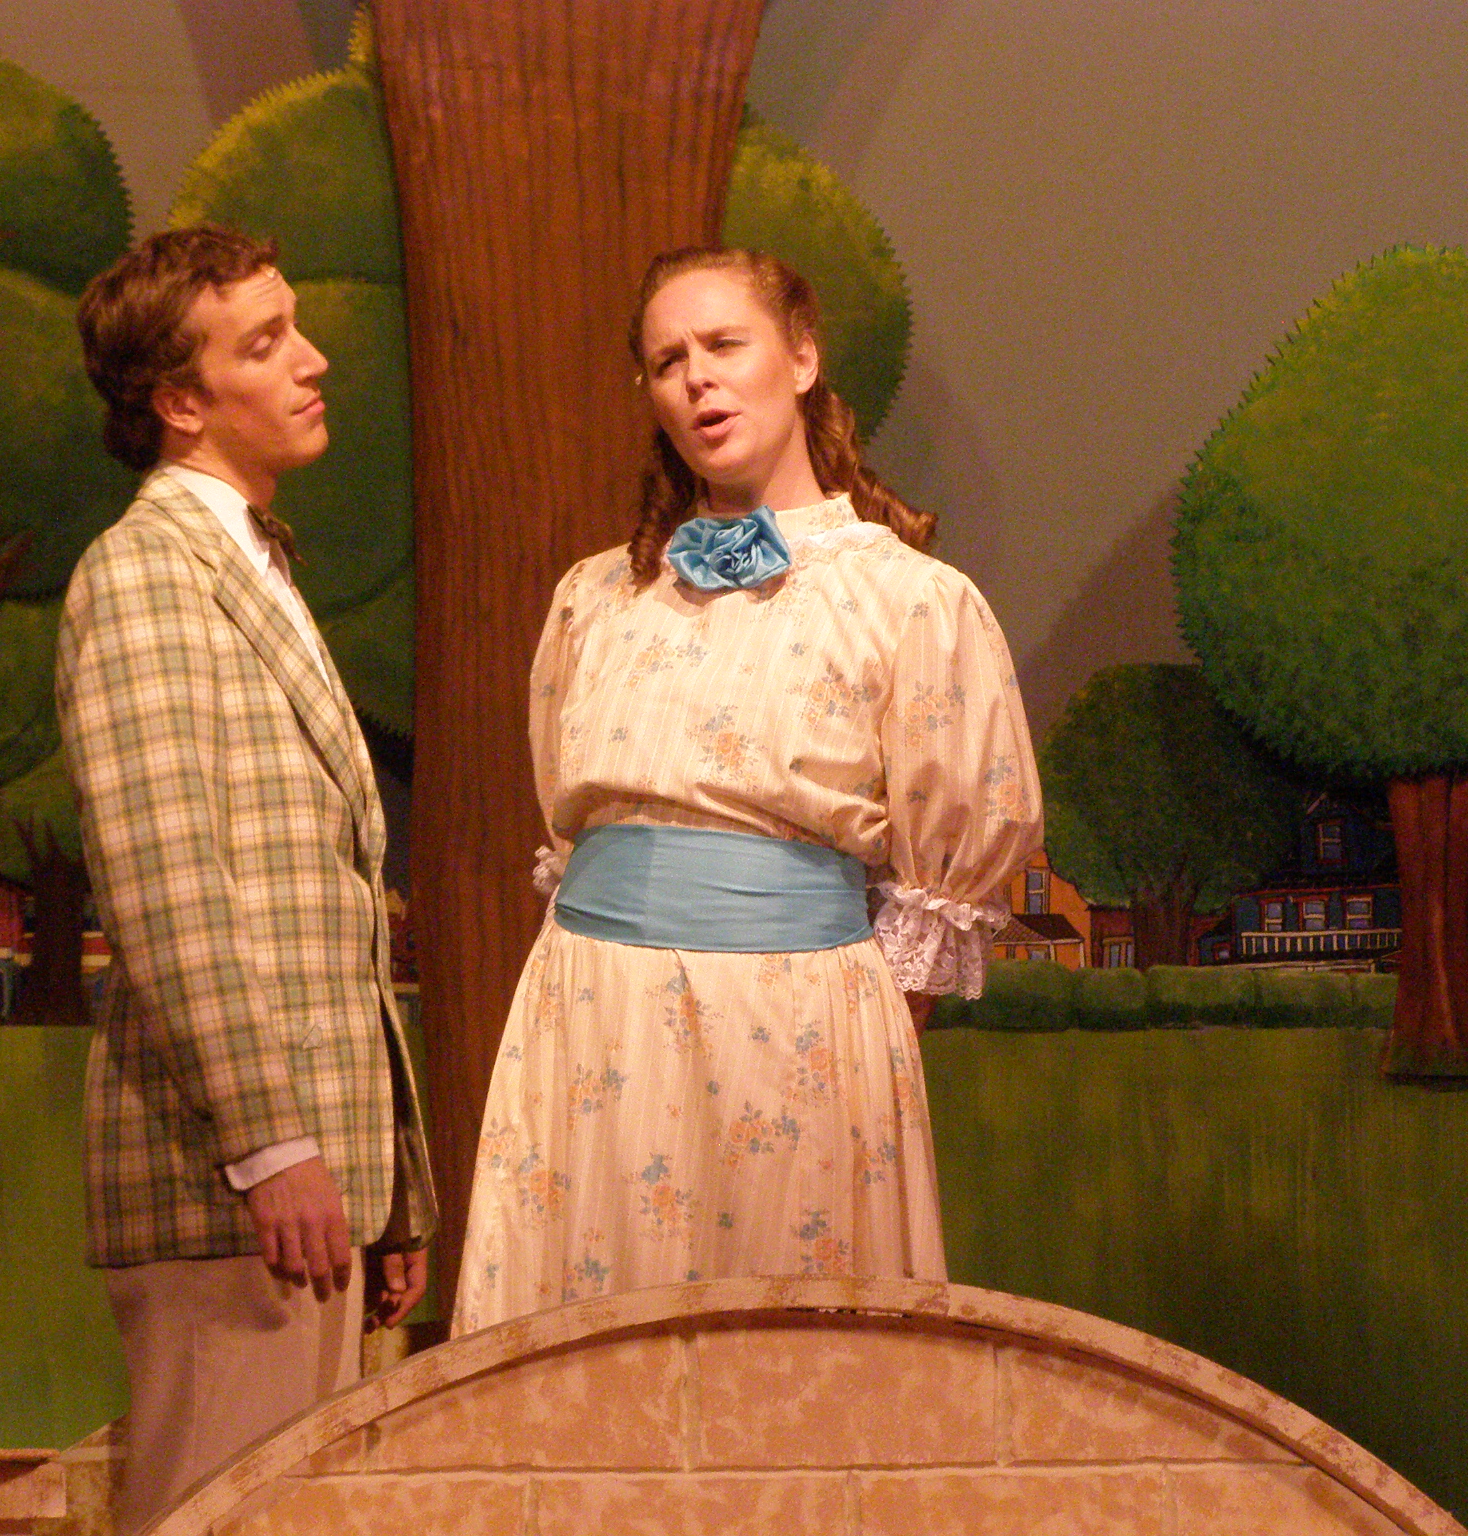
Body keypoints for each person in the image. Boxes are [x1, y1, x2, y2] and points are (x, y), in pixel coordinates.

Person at [452, 246, 1042, 1334]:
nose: (698, 378)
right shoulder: (596, 599)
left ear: (801, 358)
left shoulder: (908, 600)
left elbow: (949, 863)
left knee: (783, 1347)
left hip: (795, 1020)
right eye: (666, 361)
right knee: (594, 1346)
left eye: (724, 344)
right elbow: (564, 817)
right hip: (595, 1017)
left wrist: (839, 1014)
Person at [59, 224, 434, 1534]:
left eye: (295, 328)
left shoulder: (252, 561)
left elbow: (320, 903)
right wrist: (273, 1145)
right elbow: (166, 885)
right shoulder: (147, 572)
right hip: (229, 1180)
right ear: (180, 401)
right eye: (265, 344)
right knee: (217, 1515)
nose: (311, 361)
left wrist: (388, 1185)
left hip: (310, 1183)